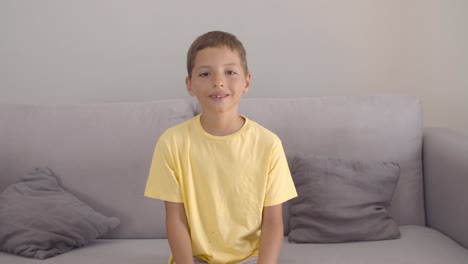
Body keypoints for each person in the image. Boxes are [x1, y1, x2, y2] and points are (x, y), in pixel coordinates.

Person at [144, 31, 297, 264]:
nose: (218, 81)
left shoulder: (268, 144)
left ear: (247, 81)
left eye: (230, 72)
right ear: (190, 84)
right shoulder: (172, 142)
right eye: (205, 73)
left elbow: (273, 222)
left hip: (250, 258)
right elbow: (175, 220)